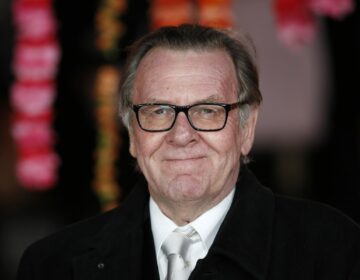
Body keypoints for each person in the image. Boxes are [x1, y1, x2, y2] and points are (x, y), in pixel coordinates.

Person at [17, 24, 360, 280]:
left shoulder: (334, 250)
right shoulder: (50, 265)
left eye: (208, 111)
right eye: (159, 111)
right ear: (133, 133)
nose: (182, 135)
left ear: (246, 128)